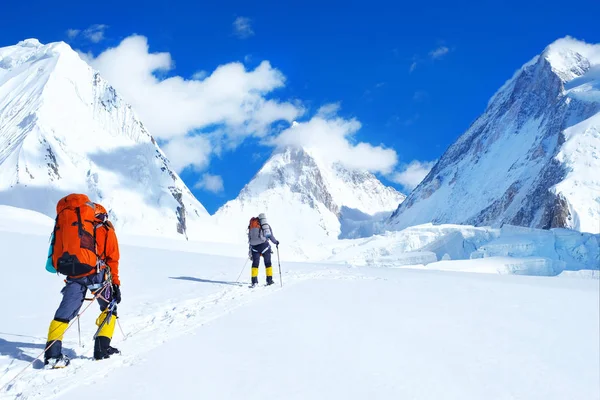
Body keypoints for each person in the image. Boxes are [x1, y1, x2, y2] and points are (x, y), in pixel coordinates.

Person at [44, 196, 122, 368]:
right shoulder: (105, 227)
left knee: (63, 314)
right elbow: (112, 258)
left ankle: (52, 356)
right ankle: (102, 350)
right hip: (97, 275)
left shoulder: (71, 224)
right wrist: (115, 283)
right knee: (110, 307)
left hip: (74, 274)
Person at [247, 213, 279, 287]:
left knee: (255, 264)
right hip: (264, 246)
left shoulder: (251, 226)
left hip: (254, 247)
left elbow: (249, 238)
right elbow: (270, 236)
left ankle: (254, 282)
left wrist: (250, 249)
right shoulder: (265, 226)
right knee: (268, 263)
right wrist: (276, 242)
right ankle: (269, 280)